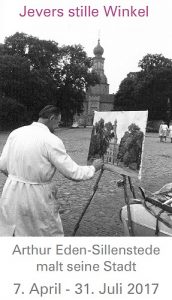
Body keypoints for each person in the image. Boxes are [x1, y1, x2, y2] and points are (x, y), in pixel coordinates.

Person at [0, 105, 103, 236]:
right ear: (52, 118)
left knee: (13, 233)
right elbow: (72, 172)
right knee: (44, 233)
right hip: (36, 197)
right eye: (58, 122)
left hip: (11, 193)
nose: (57, 126)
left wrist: (19, 177)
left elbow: (3, 165)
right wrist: (93, 168)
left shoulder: (16, 133)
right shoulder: (51, 140)